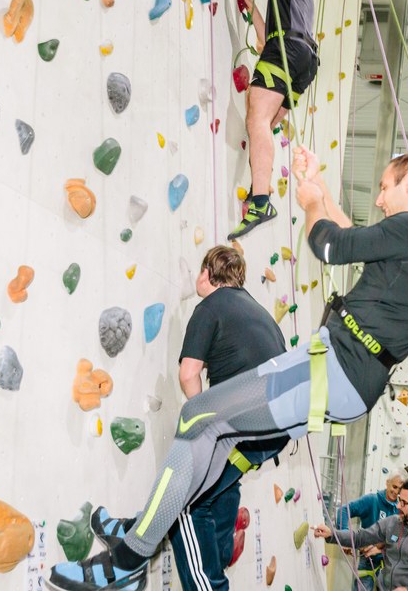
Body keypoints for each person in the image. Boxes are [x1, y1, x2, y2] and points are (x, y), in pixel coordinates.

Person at [47, 146, 408, 591]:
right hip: (341, 375)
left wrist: (310, 204)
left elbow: (330, 243)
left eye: (385, 187)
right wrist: (317, 186)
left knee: (197, 416)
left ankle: (128, 560)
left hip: (335, 369)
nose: (379, 199)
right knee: (215, 438)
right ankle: (137, 540)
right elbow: (358, 238)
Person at [88, 246, 290, 591]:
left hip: (245, 424)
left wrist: (203, 428)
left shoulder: (210, 307)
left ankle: (189, 573)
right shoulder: (260, 314)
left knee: (186, 501)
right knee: (220, 486)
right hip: (275, 428)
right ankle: (146, 535)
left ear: (206, 274)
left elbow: (188, 373)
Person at [228, 0, 319, 240]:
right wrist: (254, 11)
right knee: (262, 125)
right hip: (304, 58)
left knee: (257, 119)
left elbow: (275, 38)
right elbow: (266, 37)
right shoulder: (297, 2)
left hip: (287, 48)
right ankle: (258, 189)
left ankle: (260, 202)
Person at [315, 479, 408, 591]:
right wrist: (331, 534)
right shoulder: (393, 523)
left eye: (404, 503)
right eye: (399, 500)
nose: (398, 505)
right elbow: (360, 537)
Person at [335, 472, 405, 590]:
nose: (396, 492)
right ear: (387, 483)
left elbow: (400, 538)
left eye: (400, 489)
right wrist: (346, 537)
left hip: (389, 564)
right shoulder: (372, 500)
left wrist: (381, 549)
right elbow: (344, 510)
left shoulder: (401, 510)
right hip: (368, 561)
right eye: (394, 487)